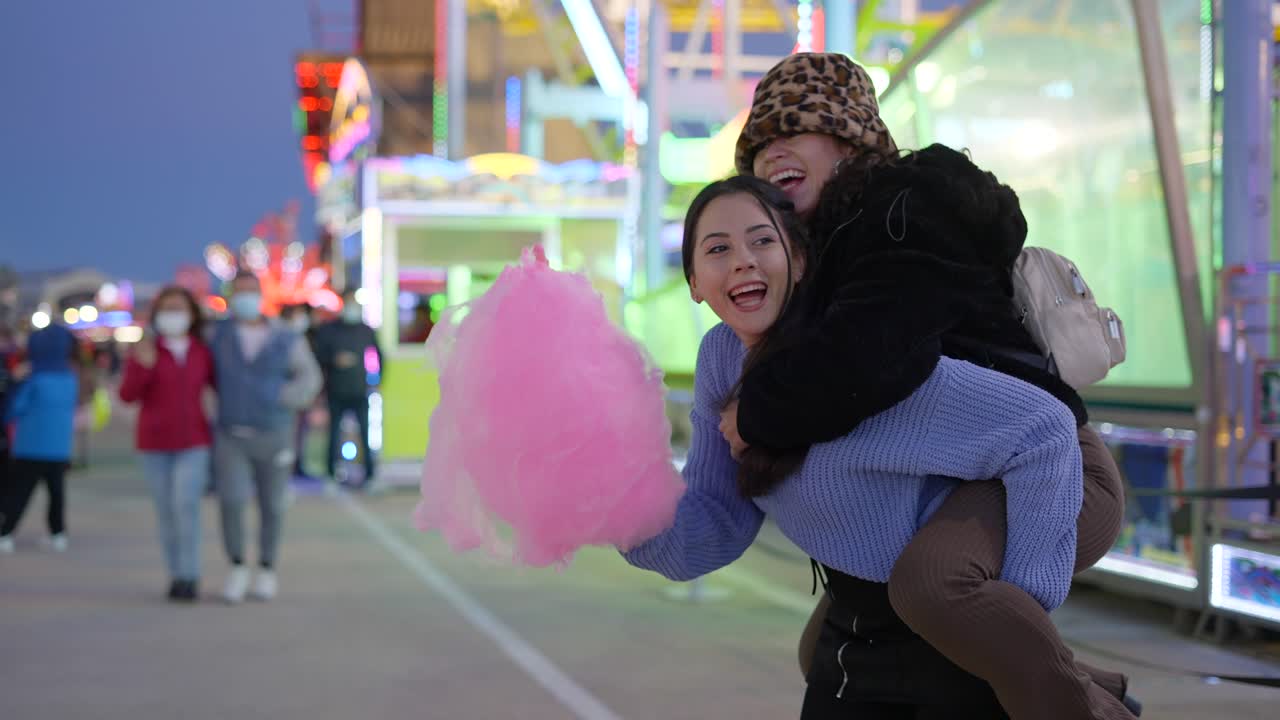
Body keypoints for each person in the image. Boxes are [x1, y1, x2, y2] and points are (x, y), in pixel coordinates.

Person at [727, 53, 1136, 718]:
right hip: (958, 483)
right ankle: (1075, 681)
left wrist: (754, 415)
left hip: (1047, 472)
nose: (771, 151)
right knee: (827, 650)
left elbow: (868, 358)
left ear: (848, 133)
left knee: (933, 586)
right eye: (758, 144)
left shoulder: (907, 210)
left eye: (790, 132)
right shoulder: (821, 249)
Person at [210, 271, 322, 603]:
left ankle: (267, 567)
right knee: (230, 501)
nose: (245, 297)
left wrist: (282, 396)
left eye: (250, 291)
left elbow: (310, 376)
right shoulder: (218, 335)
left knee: (272, 504)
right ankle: (237, 566)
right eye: (238, 291)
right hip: (231, 433)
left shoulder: (284, 336)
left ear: (260, 295)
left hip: (274, 432)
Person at [118, 286, 216, 602]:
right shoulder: (147, 350)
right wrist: (142, 366)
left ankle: (190, 575)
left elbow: (220, 386)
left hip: (193, 442)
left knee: (185, 507)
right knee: (166, 512)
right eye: (168, 308)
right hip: (155, 445)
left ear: (191, 314)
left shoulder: (201, 351)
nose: (174, 315)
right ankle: (175, 574)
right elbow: (127, 396)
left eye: (180, 308)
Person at [0, 324, 79, 553]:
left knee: (20, 493)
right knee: (56, 494)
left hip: (30, 446)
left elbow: (15, 408)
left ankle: (5, 533)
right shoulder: (69, 378)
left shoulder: (34, 378)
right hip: (59, 448)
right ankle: (58, 534)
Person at [311, 290, 382, 490]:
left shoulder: (366, 330)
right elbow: (318, 357)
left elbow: (379, 356)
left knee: (365, 434)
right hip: (336, 390)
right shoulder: (329, 331)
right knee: (334, 434)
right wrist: (334, 361)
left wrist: (376, 381)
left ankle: (369, 476)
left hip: (360, 390)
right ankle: (332, 475)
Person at [280, 303, 318, 479]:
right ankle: (285, 466)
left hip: (301, 398)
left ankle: (297, 464)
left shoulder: (305, 337)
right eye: (298, 315)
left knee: (300, 433)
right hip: (281, 400)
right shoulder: (278, 339)